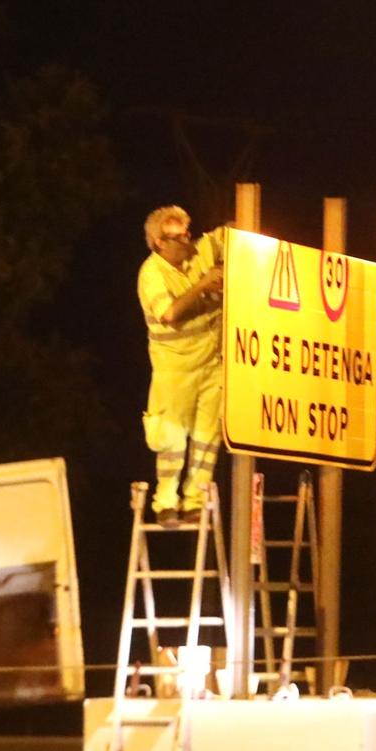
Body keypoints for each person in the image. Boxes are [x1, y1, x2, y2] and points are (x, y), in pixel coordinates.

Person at [136, 205, 225, 525]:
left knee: (207, 436)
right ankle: (166, 502)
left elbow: (232, 231)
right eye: (177, 237)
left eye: (188, 234)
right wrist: (203, 285)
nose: (186, 241)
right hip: (174, 370)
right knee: (171, 438)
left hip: (211, 364)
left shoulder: (198, 253)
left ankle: (195, 500)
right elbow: (170, 314)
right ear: (159, 241)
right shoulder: (152, 274)